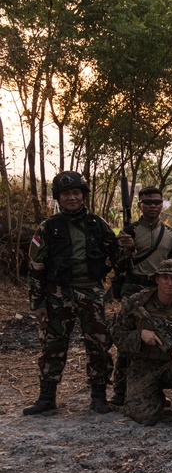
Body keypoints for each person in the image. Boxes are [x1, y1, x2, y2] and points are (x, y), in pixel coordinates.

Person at [24, 171, 119, 415]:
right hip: (58, 293)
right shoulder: (48, 227)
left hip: (90, 292)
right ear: (58, 197)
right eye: (66, 194)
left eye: (76, 193)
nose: (72, 198)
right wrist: (38, 303)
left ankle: (98, 396)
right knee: (53, 344)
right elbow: (36, 267)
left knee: (98, 344)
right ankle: (47, 397)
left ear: (83, 196)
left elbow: (116, 255)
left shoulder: (98, 224)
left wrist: (123, 254)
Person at [110, 185, 172, 406]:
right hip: (134, 289)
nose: (153, 206)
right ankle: (120, 389)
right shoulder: (128, 232)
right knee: (129, 341)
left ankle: (153, 386)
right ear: (140, 205)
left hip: (161, 292)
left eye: (157, 202)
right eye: (148, 202)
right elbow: (115, 265)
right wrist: (128, 250)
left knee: (161, 337)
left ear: (162, 204)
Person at [109, 260, 172, 427]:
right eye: (165, 278)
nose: (170, 283)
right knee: (145, 417)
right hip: (142, 367)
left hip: (171, 366)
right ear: (156, 279)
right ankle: (154, 397)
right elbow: (117, 334)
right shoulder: (137, 302)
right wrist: (140, 335)